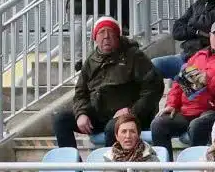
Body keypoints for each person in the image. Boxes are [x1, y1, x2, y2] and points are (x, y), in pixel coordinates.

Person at [54, 17, 163, 149]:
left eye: (110, 32)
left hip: (129, 116)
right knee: (61, 119)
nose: (106, 37)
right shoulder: (91, 61)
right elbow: (80, 93)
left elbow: (153, 88)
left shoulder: (134, 56)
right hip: (99, 115)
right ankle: (73, 167)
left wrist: (132, 111)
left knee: (113, 127)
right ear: (95, 38)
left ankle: (109, 166)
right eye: (101, 33)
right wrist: (81, 113)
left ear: (117, 36)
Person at [152, 19, 215, 148]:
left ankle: (196, 165)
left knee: (197, 126)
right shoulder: (198, 56)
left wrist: (209, 80)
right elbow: (179, 84)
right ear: (210, 36)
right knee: (158, 124)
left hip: (213, 110)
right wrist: (172, 104)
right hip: (186, 111)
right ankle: (166, 168)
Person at [97, 114, 162, 172]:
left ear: (138, 135)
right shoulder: (107, 160)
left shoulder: (152, 161)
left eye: (132, 131)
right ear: (116, 136)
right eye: (124, 131)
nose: (128, 136)